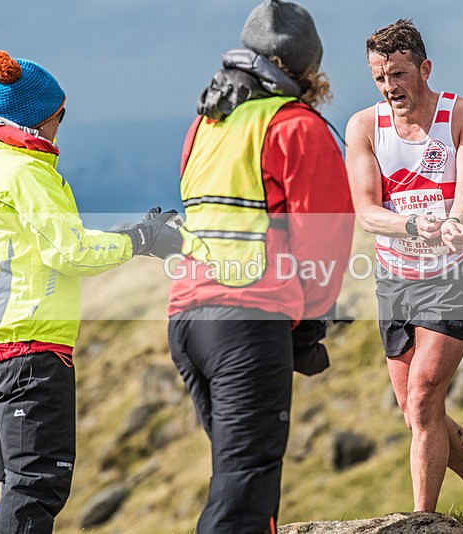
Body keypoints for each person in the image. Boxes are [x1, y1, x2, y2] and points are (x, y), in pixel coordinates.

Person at [166, 1, 354, 531]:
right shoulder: (296, 127)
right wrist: (310, 321)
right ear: (309, 67)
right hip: (248, 325)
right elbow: (325, 242)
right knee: (244, 495)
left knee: (237, 479)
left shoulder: (206, 124)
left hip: (187, 321)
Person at [0, 51, 180, 533]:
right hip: (30, 351)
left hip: (2, 350)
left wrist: (124, 234)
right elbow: (71, 253)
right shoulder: (27, 172)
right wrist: (141, 239)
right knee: (35, 487)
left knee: (14, 482)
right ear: (42, 117)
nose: (62, 124)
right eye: (62, 113)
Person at [345, 19, 463, 512]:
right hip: (395, 276)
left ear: (424, 68)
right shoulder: (364, 127)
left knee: (422, 398)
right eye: (379, 77)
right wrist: (412, 226)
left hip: (455, 272)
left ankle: (423, 521)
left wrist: (456, 222)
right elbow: (367, 212)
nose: (389, 87)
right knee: (416, 411)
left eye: (398, 74)